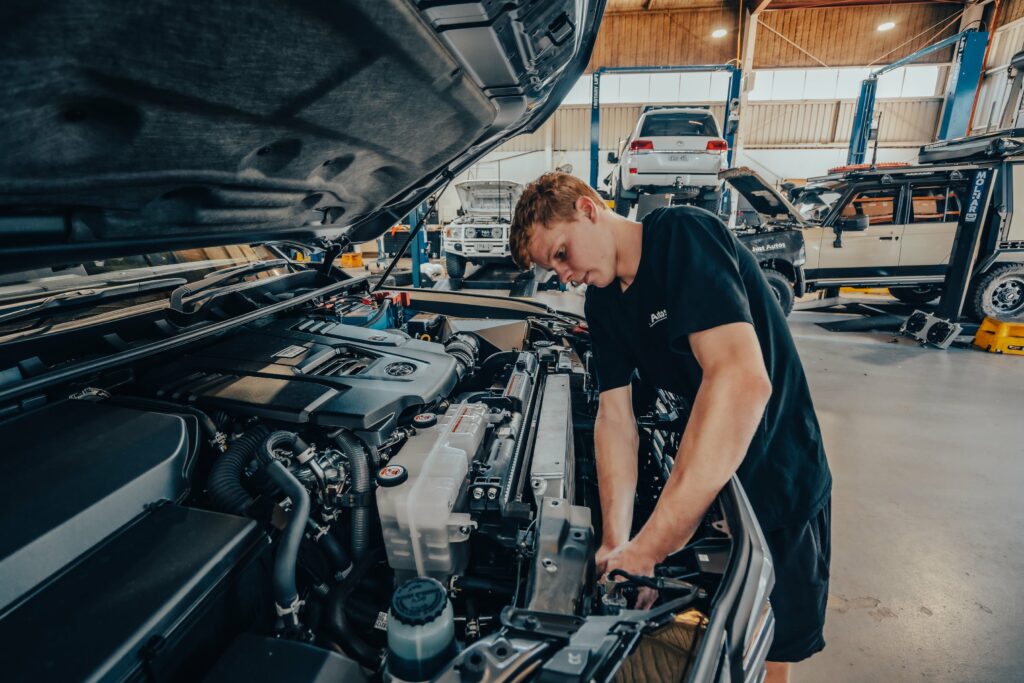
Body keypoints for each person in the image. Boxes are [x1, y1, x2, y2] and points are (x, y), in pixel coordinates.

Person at [509, 172, 832, 683]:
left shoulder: (682, 235)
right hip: (706, 473)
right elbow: (615, 420)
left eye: (562, 253)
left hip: (776, 469)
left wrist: (653, 547)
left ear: (588, 209)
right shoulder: (605, 301)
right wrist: (619, 546)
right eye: (554, 268)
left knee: (770, 637)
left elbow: (740, 380)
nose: (564, 275)